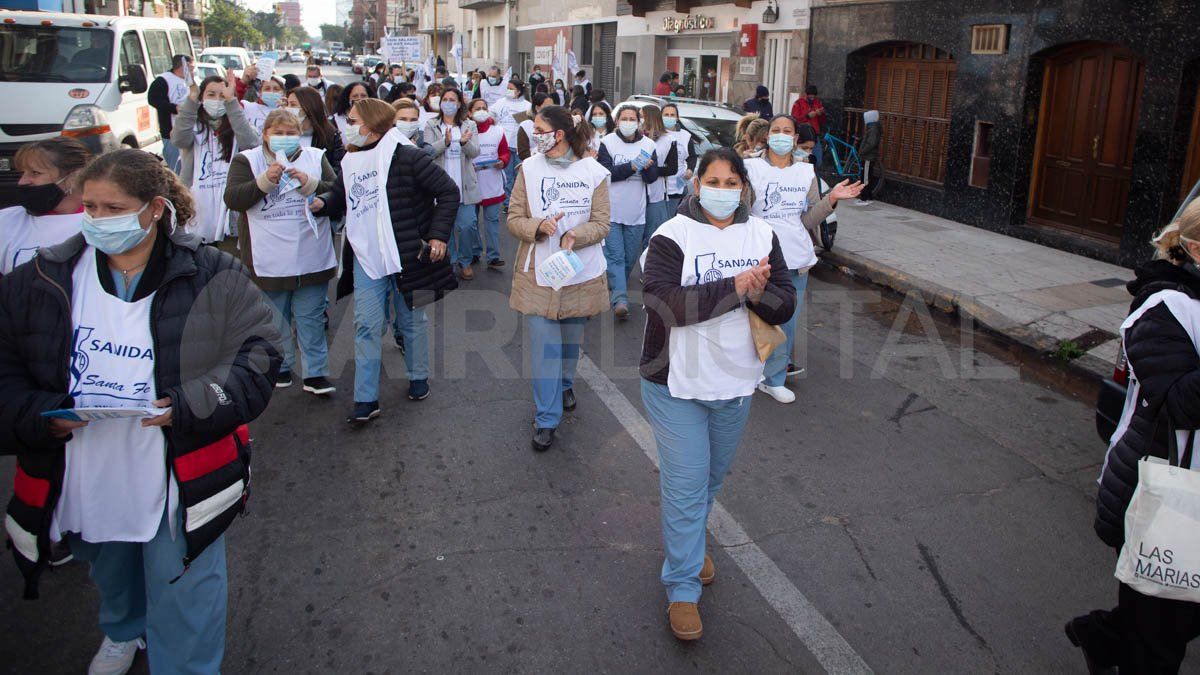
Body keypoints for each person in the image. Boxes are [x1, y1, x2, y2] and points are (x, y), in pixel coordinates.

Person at [0, 148, 281, 673]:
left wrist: (190, 404)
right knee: (111, 565)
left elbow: (260, 354)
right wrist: (40, 413)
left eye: (112, 208)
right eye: (89, 207)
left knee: (184, 579)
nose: (97, 220)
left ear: (154, 209)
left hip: (179, 465)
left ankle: (186, 665)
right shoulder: (42, 279)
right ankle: (124, 630)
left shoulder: (211, 272)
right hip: (85, 463)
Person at [640, 146, 796, 642]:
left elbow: (785, 301)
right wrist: (736, 287)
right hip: (675, 385)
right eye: (715, 180)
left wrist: (761, 292)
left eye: (733, 183)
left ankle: (688, 544)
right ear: (695, 182)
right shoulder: (670, 237)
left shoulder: (762, 234)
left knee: (709, 480)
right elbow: (663, 303)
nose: (724, 191)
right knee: (686, 488)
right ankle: (683, 587)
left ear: (745, 188)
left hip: (735, 382)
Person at [1067, 199, 1200, 674]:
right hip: (1165, 498)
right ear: (1194, 247)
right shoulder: (1162, 304)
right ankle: (1113, 636)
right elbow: (1182, 404)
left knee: (1173, 619)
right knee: (1161, 637)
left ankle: (1106, 634)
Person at [316, 99, 460, 423]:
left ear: (370, 126)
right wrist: (321, 202)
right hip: (367, 257)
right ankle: (366, 399)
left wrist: (438, 236)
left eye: (353, 121)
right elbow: (340, 197)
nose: (347, 127)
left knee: (411, 321)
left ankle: (418, 376)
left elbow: (449, 192)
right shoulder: (351, 160)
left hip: (409, 255)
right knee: (365, 325)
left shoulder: (408, 156)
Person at [507, 105, 610, 452]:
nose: (534, 134)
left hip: (580, 272)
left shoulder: (594, 172)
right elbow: (514, 217)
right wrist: (538, 227)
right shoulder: (529, 169)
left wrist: (575, 235)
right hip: (539, 272)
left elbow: (602, 223)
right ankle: (546, 417)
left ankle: (565, 384)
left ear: (559, 134)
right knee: (544, 349)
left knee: (568, 345)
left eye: (539, 129)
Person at [745, 115, 861, 403]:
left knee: (787, 321)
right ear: (767, 135)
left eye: (787, 131)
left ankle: (774, 379)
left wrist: (831, 199)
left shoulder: (807, 172)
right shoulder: (750, 168)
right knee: (750, 317)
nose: (781, 136)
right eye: (776, 130)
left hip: (796, 259)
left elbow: (809, 219)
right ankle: (749, 371)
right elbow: (743, 212)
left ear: (795, 138)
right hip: (758, 256)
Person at [224, 108, 338, 395]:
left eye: (291, 134)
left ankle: (316, 373)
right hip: (268, 257)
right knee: (276, 317)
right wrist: (266, 180)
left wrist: (312, 187)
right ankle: (282, 367)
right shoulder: (246, 160)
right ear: (265, 135)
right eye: (278, 133)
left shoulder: (315, 157)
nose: (285, 139)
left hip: (310, 256)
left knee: (311, 316)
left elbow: (337, 192)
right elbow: (234, 198)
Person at [171, 74, 260, 247]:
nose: (217, 100)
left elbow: (250, 143)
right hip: (197, 203)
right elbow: (179, 140)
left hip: (229, 208)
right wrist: (191, 100)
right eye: (211, 95)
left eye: (222, 95)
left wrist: (231, 102)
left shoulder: (238, 121)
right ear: (201, 96)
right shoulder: (191, 124)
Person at [597, 105, 661, 319]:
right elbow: (606, 173)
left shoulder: (649, 144)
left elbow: (652, 177)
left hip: (637, 211)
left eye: (632, 118)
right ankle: (621, 300)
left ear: (638, 122)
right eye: (624, 118)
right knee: (616, 255)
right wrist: (633, 166)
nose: (628, 122)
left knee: (629, 257)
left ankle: (616, 285)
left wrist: (647, 168)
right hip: (611, 210)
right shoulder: (607, 143)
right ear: (617, 122)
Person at [0, 137, 90, 276]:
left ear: (74, 177)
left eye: (35, 173)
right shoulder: (6, 220)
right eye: (22, 173)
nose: (22, 181)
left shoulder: (100, 225)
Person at [424, 87, 482, 280]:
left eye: (452, 100)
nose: (448, 103)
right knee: (444, 228)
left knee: (468, 225)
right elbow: (427, 153)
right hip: (439, 188)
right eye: (445, 99)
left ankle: (465, 261)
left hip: (464, 186)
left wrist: (464, 143)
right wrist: (445, 142)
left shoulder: (469, 126)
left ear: (459, 104)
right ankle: (450, 260)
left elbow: (475, 153)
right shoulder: (431, 125)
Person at [467, 98, 510, 269]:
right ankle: (475, 251)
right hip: (472, 183)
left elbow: (505, 152)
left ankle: (493, 255)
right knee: (472, 222)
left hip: (492, 182)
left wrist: (502, 161)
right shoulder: (465, 131)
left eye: (484, 108)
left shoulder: (497, 131)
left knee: (492, 220)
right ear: (469, 112)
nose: (481, 111)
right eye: (477, 108)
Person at [639, 105, 679, 248]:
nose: (639, 120)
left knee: (652, 237)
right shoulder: (635, 138)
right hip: (634, 192)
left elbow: (672, 168)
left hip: (656, 194)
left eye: (642, 116)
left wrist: (652, 170)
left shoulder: (669, 140)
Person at [147, 54, 193, 172]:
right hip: (172, 133)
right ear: (184, 66)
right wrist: (175, 108)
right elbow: (154, 99)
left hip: (191, 131)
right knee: (178, 169)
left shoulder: (190, 82)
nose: (193, 70)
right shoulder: (163, 80)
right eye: (191, 67)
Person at [491, 78, 532, 210]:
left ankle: (519, 203)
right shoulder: (500, 103)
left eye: (511, 88)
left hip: (520, 146)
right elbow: (492, 115)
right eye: (507, 88)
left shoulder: (526, 105)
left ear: (519, 91)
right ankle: (508, 203)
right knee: (507, 177)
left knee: (520, 176)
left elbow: (529, 122)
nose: (508, 90)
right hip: (505, 145)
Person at [285, 87, 347, 171]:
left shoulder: (331, 136)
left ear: (308, 107)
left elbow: (337, 170)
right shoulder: (282, 134)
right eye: (287, 104)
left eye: (293, 105)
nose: (288, 108)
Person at [661, 102, 695, 213]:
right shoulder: (655, 134)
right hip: (658, 186)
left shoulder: (685, 136)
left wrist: (690, 169)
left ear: (677, 117)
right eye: (666, 115)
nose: (669, 117)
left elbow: (692, 157)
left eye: (672, 115)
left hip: (677, 184)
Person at [791, 85, 827, 169]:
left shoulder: (817, 103)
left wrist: (821, 114)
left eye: (814, 95)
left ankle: (814, 174)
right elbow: (794, 119)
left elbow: (823, 120)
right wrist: (807, 116)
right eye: (810, 95)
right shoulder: (798, 103)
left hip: (815, 134)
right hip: (802, 135)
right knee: (801, 157)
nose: (812, 97)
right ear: (806, 94)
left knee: (818, 159)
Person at [332, 81, 377, 145]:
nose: (359, 98)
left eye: (363, 95)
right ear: (347, 99)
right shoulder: (335, 120)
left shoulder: (377, 117)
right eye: (355, 96)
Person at [857, 110, 884, 205]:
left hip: (868, 156)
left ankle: (865, 198)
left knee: (865, 177)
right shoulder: (873, 128)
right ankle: (868, 196)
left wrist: (862, 151)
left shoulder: (873, 130)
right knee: (867, 175)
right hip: (868, 155)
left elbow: (871, 143)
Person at [516, 92, 553, 161]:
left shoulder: (555, 124)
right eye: (547, 107)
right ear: (537, 108)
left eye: (552, 107)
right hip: (533, 165)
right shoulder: (525, 126)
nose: (551, 110)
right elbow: (522, 153)